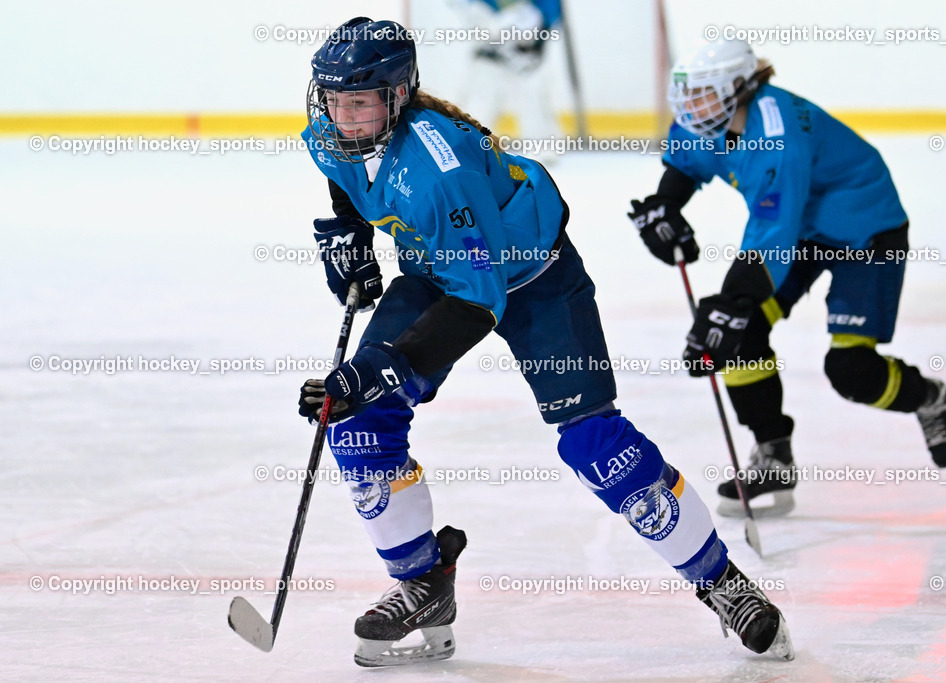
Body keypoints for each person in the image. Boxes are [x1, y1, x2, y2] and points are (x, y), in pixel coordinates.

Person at [295, 18, 793, 668]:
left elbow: (479, 302)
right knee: (356, 420)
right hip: (438, 268)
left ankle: (722, 581)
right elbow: (345, 183)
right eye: (332, 99)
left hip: (533, 278)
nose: (342, 115)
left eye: (358, 102)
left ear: (396, 96)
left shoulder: (441, 168)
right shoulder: (332, 133)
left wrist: (377, 367)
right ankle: (424, 581)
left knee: (594, 443)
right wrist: (348, 239)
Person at [627, 38, 946, 519]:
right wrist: (665, 205)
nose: (690, 107)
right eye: (688, 95)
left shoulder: (776, 135)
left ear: (741, 87)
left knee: (851, 371)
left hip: (863, 229)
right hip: (802, 227)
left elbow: (771, 233)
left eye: (704, 94)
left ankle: (929, 397)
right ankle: (774, 456)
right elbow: (685, 162)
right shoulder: (709, 120)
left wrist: (731, 302)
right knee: (741, 335)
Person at [454, 0, 563, 157]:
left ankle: (543, 149)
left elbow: (549, 11)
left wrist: (540, 20)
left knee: (532, 95)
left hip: (524, 49)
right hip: (490, 46)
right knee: (481, 97)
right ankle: (468, 146)